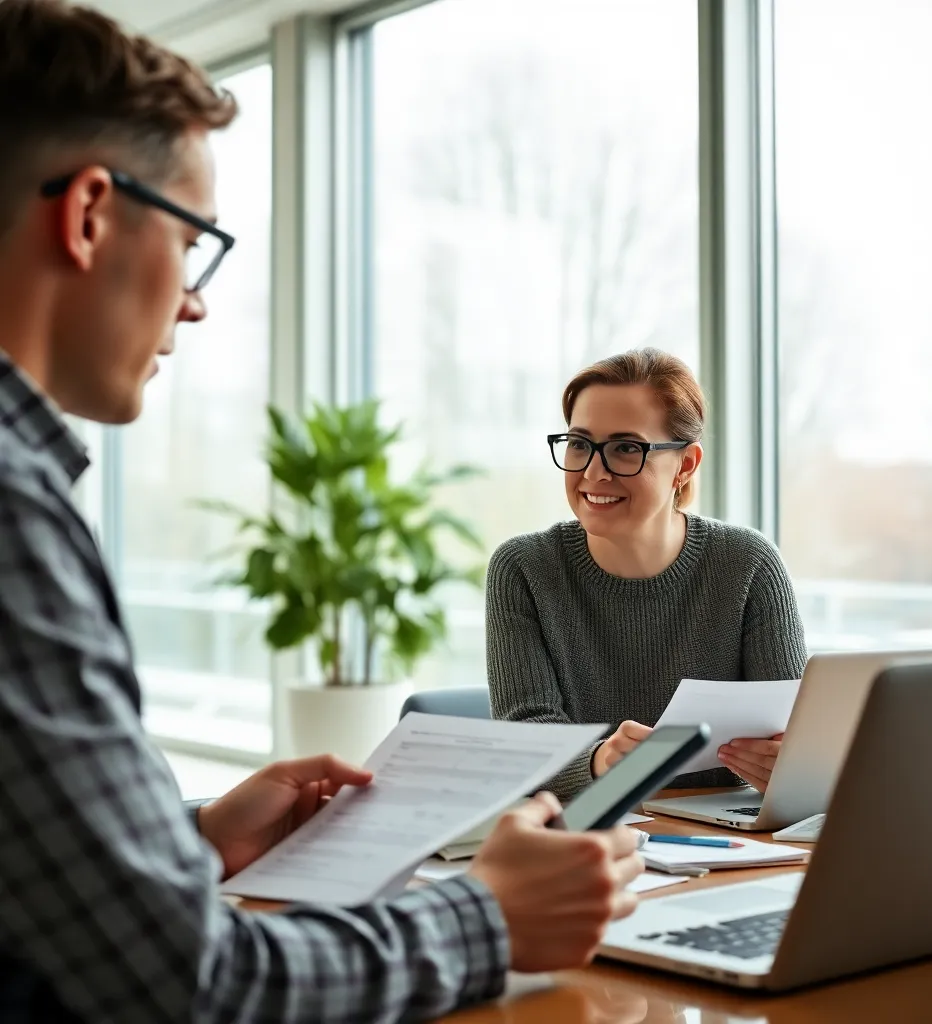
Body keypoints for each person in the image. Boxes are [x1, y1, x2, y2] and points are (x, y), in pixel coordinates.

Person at [0, 2, 644, 1021]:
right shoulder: (12, 514)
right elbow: (184, 984)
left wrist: (197, 837)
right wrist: (486, 914)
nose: (197, 301)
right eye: (194, 241)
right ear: (88, 215)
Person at [487, 348, 808, 802]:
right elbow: (521, 750)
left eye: (625, 449)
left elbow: (798, 743)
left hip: (729, 842)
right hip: (584, 838)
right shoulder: (523, 569)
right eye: (579, 444)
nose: (593, 473)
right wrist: (601, 762)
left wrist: (791, 768)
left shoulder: (749, 564)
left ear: (686, 464)